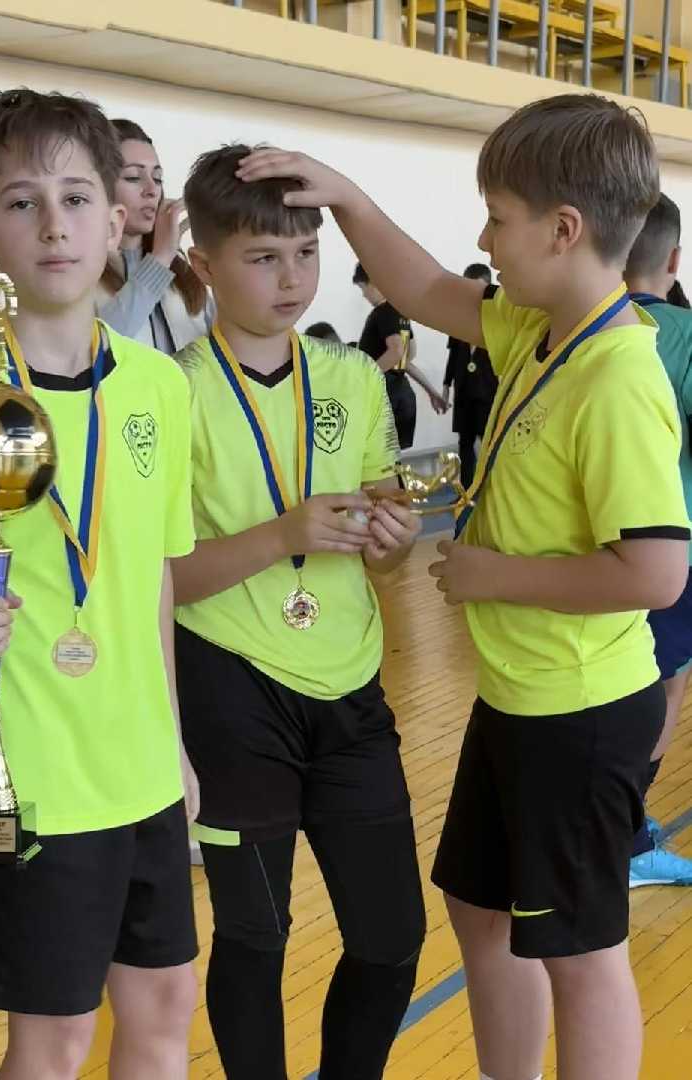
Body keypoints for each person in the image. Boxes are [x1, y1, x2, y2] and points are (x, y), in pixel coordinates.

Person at [235, 92, 690, 1080]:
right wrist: (348, 197)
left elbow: (658, 574)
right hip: (522, 697)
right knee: (481, 910)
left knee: (581, 952)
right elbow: (427, 284)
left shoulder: (617, 375)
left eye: (498, 218)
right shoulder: (540, 328)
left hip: (578, 710)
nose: (483, 240)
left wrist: (495, 573)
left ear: (563, 230)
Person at [0, 89, 198, 1079]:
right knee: (54, 1036)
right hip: (22, 778)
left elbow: (152, 577)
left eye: (76, 198)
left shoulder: (160, 386)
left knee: (164, 1004)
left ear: (120, 220)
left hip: (139, 765)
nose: (54, 224)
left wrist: (174, 742)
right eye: (22, 202)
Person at [172, 144, 425, 1080]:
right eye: (263, 257)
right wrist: (282, 533)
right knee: (255, 934)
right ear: (203, 263)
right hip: (231, 684)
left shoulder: (352, 377)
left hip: (349, 682)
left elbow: (383, 532)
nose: (292, 279)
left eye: (307, 253)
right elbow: (158, 578)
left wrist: (392, 537)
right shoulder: (169, 392)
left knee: (392, 935)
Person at [625, 193, 692, 888]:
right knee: (663, 691)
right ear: (674, 259)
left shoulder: (568, 328)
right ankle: (626, 840)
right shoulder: (684, 335)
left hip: (585, 552)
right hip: (671, 552)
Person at [97, 118, 214, 353]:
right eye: (133, 177)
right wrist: (160, 258)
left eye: (157, 178)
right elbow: (98, 349)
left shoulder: (185, 275)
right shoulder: (81, 273)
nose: (152, 190)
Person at [354, 262, 447, 448]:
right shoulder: (400, 314)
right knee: (392, 456)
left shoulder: (383, 312)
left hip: (385, 395)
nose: (363, 295)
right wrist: (432, 392)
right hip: (402, 394)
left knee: (377, 456)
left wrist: (365, 376)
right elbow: (406, 358)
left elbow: (396, 352)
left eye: (363, 288)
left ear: (374, 282)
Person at [443, 264, 498, 489]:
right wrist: (446, 386)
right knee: (464, 444)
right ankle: (466, 491)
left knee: (489, 443)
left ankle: (490, 490)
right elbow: (453, 355)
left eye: (478, 288)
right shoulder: (458, 317)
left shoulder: (498, 317)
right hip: (464, 390)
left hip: (488, 391)